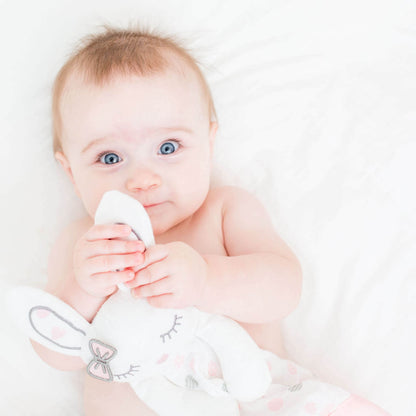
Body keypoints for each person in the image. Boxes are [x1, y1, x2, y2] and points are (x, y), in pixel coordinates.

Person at [31, 25, 389, 415]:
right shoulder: (84, 243)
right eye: (110, 158)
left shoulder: (224, 212)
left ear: (209, 142)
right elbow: (55, 353)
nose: (142, 180)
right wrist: (85, 289)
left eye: (168, 148)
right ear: (71, 173)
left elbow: (284, 289)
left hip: (252, 401)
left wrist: (206, 279)